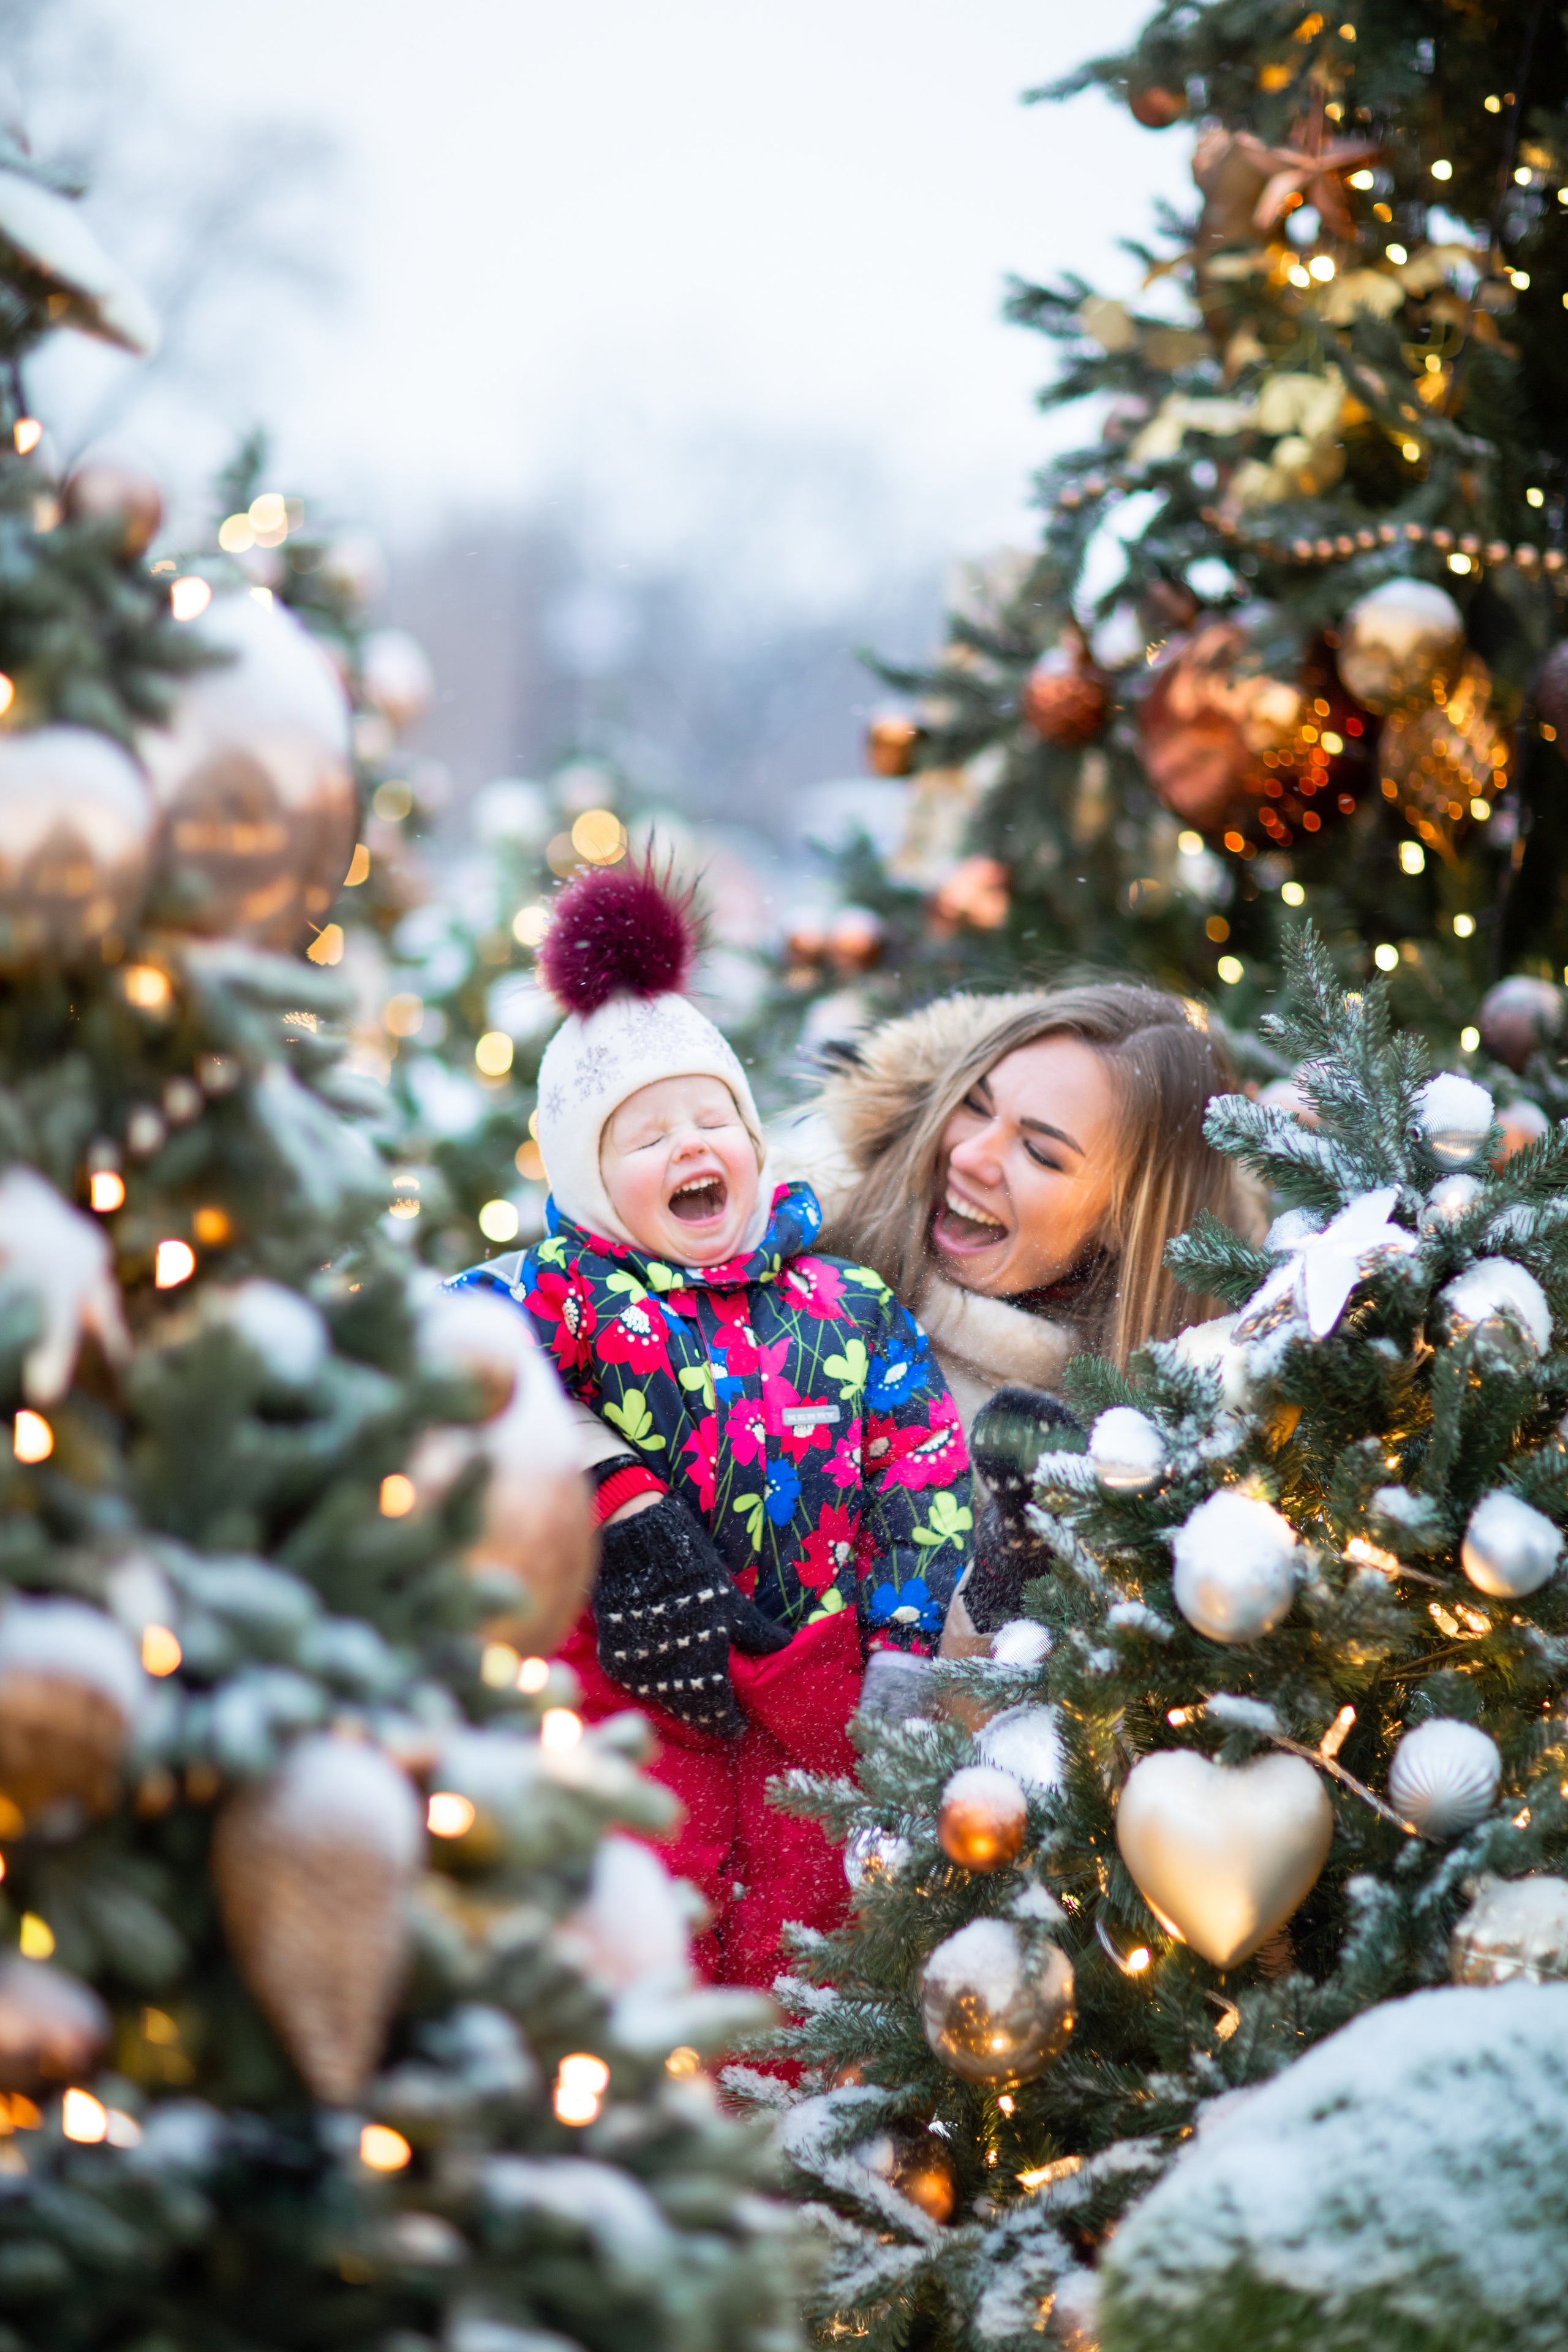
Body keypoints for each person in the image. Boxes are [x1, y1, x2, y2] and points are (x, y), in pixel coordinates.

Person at [453, 859, 971, 1985]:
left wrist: (904, 1648)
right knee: (652, 1941)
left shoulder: (844, 1304)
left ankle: (800, 2140)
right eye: (643, 1139)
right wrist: (607, 1492)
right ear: (589, 1183)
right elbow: (440, 1354)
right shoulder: (569, 1292)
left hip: (817, 1680)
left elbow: (923, 1473)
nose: (691, 1147)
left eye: (712, 1118)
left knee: (813, 1947)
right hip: (636, 1698)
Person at [801, 983, 1264, 1651]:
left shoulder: (1135, 1457)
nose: (968, 1156)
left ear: (1124, 1220)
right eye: (974, 1106)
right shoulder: (789, 1230)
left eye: (1041, 1153)